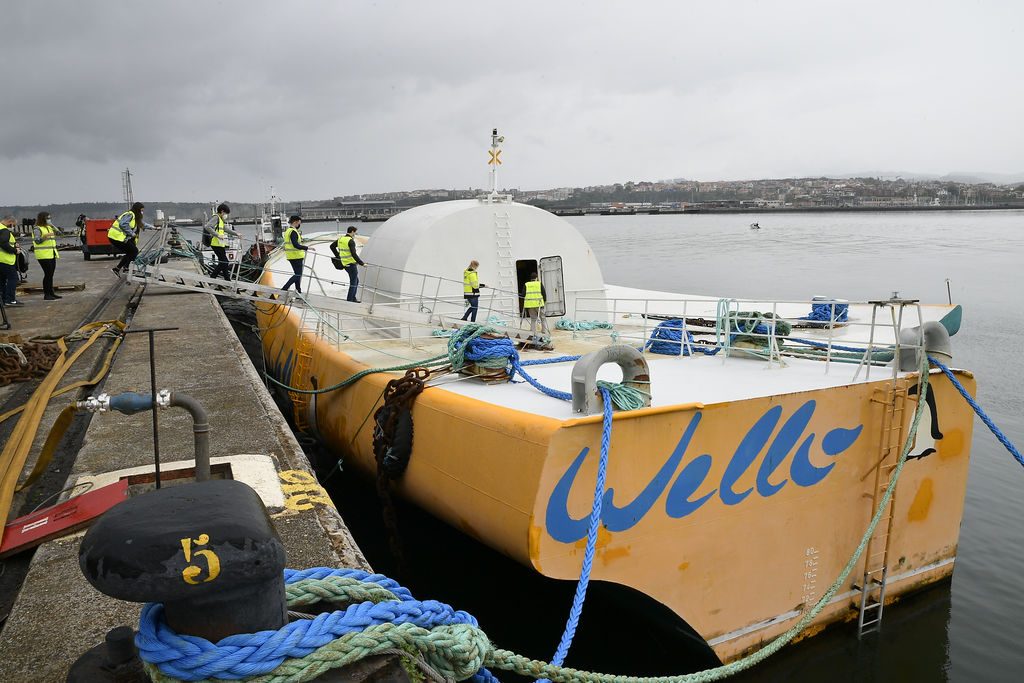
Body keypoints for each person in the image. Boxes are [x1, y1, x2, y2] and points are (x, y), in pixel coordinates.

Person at [109, 202, 154, 276]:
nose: (142, 213)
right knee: (134, 251)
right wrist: (132, 233)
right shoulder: (130, 215)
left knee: (131, 252)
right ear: (137, 210)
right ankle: (125, 268)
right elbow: (123, 224)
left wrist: (154, 228)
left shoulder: (135, 218)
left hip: (118, 237)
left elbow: (143, 224)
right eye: (141, 211)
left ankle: (118, 269)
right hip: (116, 236)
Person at [203, 203, 241, 280]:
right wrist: (217, 235)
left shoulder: (220, 219)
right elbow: (207, 227)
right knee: (224, 262)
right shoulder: (216, 217)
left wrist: (236, 234)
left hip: (220, 244)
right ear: (222, 211)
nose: (226, 215)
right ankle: (212, 277)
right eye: (226, 213)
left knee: (223, 262)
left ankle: (227, 279)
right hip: (215, 243)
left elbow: (225, 229)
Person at [330, 225, 365, 302]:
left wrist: (338, 255)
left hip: (344, 263)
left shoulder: (341, 239)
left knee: (356, 281)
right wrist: (362, 263)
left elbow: (332, 246)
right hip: (351, 264)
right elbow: (354, 254)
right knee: (353, 282)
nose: (355, 234)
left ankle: (353, 298)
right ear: (352, 232)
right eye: (355, 232)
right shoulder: (350, 241)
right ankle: (350, 299)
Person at [32, 211, 61, 300]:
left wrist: (52, 226)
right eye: (47, 218)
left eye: (50, 218)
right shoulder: (37, 229)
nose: (49, 219)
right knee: (48, 274)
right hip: (43, 255)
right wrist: (45, 236)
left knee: (51, 274)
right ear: (42, 219)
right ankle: (47, 294)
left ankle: (51, 293)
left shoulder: (49, 227)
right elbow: (37, 241)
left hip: (51, 254)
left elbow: (59, 233)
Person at [280, 215, 308, 293]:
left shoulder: (288, 231)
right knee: (298, 275)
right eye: (299, 223)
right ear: (295, 222)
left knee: (297, 275)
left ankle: (298, 291)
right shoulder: (293, 232)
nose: (299, 225)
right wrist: (307, 248)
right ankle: (284, 289)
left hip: (291, 256)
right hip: (296, 256)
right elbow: (296, 245)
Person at [0, 216, 23, 307]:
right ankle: (10, 300)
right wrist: (15, 250)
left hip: (1, 260)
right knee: (13, 279)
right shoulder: (5, 231)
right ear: (10, 222)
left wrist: (14, 244)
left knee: (2, 281)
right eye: (13, 225)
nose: (13, 227)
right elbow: (3, 243)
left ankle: (3, 300)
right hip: (5, 260)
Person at [520, 271, 549, 340]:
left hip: (530, 305)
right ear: (536, 278)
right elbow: (544, 293)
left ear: (531, 278)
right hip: (539, 304)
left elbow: (523, 295)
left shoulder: (526, 284)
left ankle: (533, 333)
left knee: (533, 319)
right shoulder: (539, 284)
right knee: (542, 318)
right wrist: (544, 301)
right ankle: (543, 332)